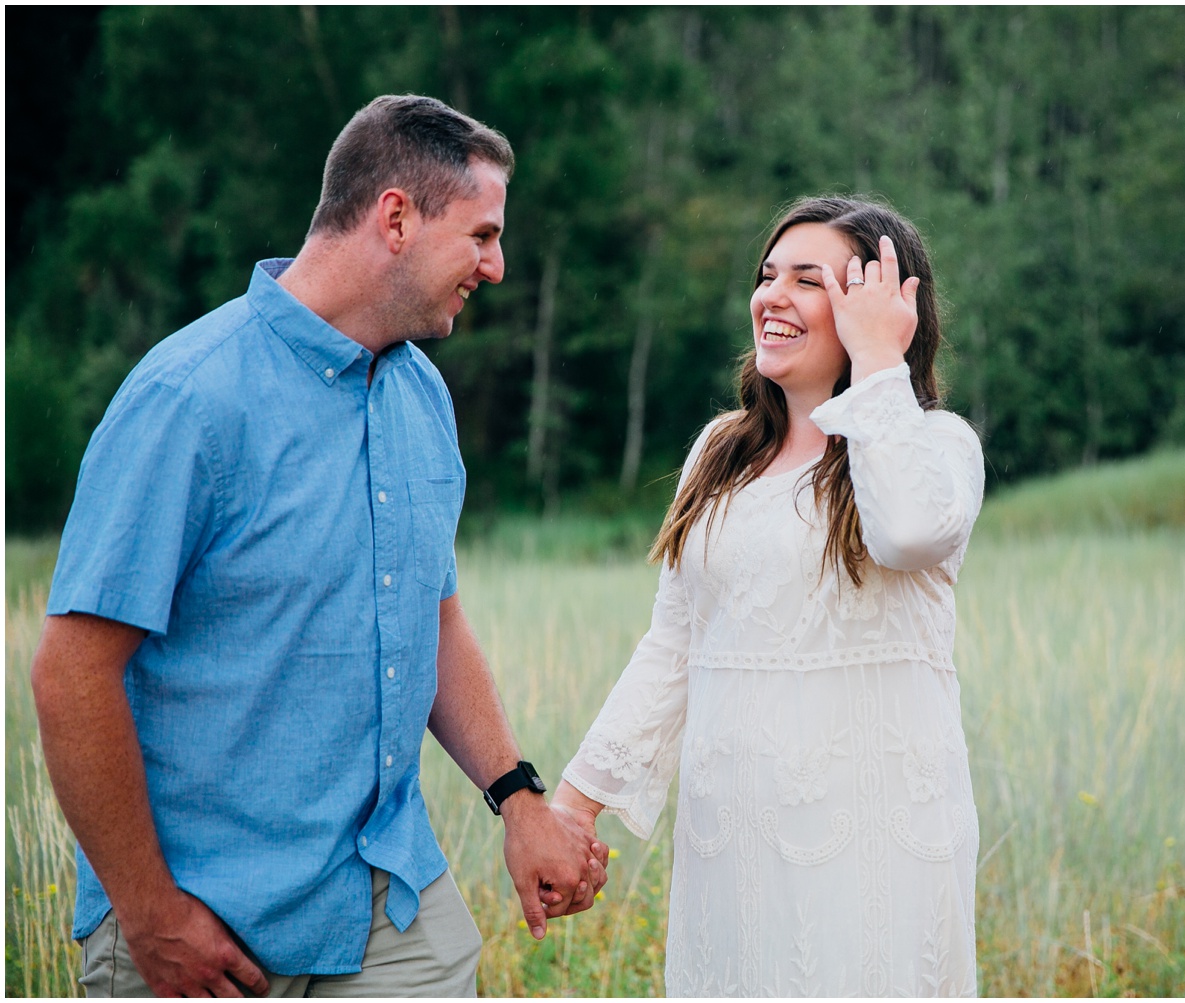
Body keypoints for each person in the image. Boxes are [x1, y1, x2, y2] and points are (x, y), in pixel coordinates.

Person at [30, 94, 608, 998]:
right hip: (207, 925)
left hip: (390, 906)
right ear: (395, 218)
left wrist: (518, 795)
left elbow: (433, 618)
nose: (496, 267)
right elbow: (70, 673)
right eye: (483, 235)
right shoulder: (189, 398)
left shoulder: (424, 398)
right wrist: (147, 912)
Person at [553, 196, 985, 997]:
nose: (771, 296)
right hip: (735, 847)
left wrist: (881, 366)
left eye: (808, 280)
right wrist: (576, 806)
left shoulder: (935, 446)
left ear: (882, 309)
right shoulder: (720, 454)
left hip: (874, 848)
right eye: (766, 275)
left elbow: (910, 533)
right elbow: (673, 645)